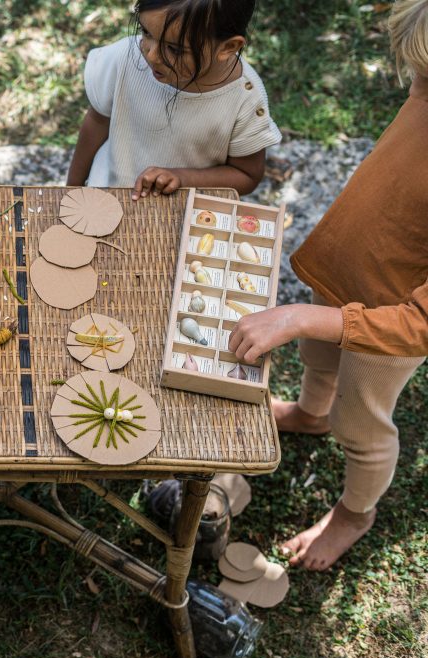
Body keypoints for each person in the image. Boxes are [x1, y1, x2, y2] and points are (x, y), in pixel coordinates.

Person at [228, 0, 428, 570]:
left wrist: (297, 317)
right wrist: (313, 318)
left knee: (359, 422)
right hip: (350, 273)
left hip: (390, 322)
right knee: (320, 359)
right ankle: (311, 414)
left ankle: (355, 513)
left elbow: (419, 323)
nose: (418, 87)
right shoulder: (426, 86)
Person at [66, 0, 281, 201]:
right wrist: (70, 191)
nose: (151, 55)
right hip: (106, 196)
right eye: (146, 32)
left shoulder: (245, 100)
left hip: (181, 218)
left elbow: (246, 175)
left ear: (228, 47)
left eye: (175, 49)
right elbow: (96, 122)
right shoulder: (122, 59)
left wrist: (184, 179)